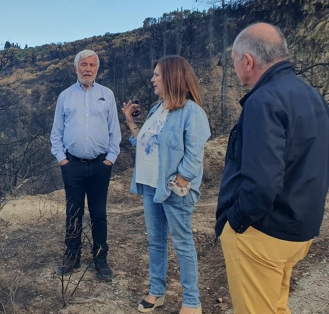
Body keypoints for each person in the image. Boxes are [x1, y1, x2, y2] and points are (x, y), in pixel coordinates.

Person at [216, 23, 329, 314]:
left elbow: (262, 181)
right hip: (300, 229)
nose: (236, 67)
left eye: (234, 62)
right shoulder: (312, 95)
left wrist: (236, 222)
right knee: (277, 308)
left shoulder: (262, 101)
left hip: (263, 234)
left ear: (248, 61)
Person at [123, 55, 210, 314]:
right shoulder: (157, 109)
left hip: (173, 190)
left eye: (157, 75)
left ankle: (192, 301)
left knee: (183, 243)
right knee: (156, 242)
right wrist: (130, 122)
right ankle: (156, 292)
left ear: (171, 77)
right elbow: (145, 144)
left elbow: (195, 155)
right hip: (151, 187)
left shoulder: (192, 113)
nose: (152, 79)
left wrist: (179, 181)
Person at [50, 49, 121, 280]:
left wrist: (110, 159)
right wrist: (63, 160)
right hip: (73, 165)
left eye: (92, 65)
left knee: (99, 214)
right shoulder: (65, 96)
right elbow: (56, 133)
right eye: (83, 65)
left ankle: (101, 259)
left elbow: (114, 131)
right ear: (76, 68)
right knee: (73, 213)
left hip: (101, 164)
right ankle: (72, 257)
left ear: (97, 69)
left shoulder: (107, 94)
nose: (87, 69)